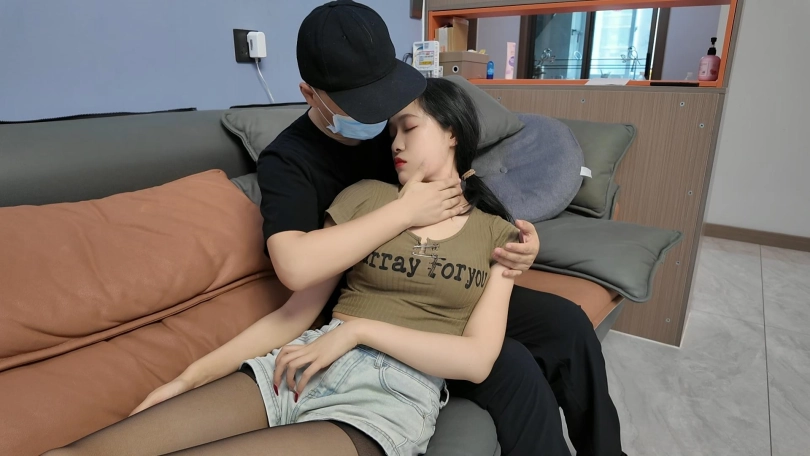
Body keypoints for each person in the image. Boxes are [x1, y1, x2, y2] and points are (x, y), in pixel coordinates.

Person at [50, 2, 625, 455]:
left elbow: (458, 179)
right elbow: (297, 276)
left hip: (440, 287)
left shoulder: (398, 124)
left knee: (564, 326)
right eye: (364, 107)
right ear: (311, 96)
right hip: (360, 296)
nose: (387, 131)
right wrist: (403, 213)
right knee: (513, 366)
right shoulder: (292, 162)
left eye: (393, 112)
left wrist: (515, 244)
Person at [46, 76, 522, 456]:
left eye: (409, 128)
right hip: (299, 364)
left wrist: (358, 332)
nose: (394, 143)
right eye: (391, 131)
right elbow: (295, 314)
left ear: (452, 132)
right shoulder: (365, 199)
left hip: (389, 397)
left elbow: (477, 361)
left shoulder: (499, 235)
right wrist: (191, 377)